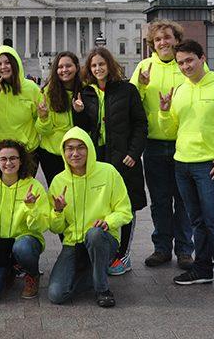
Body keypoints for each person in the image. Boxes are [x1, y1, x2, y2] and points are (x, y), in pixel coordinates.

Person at [158, 39, 214, 298]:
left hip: (210, 166)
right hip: (182, 164)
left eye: (189, 60)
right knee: (196, 221)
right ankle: (202, 268)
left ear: (202, 59)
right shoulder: (180, 91)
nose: (185, 66)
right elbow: (172, 129)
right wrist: (165, 112)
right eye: (180, 63)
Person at [130, 19, 194, 269]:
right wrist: (142, 85)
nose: (163, 42)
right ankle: (162, 247)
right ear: (152, 44)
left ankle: (185, 250)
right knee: (159, 200)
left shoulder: (186, 64)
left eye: (167, 37)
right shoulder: (144, 67)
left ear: (176, 39)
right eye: (158, 39)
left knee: (185, 199)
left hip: (183, 143)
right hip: (154, 143)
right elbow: (132, 102)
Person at [77, 47, 147, 276]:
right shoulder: (86, 94)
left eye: (101, 64)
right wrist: (77, 112)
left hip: (124, 157)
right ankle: (103, 252)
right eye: (94, 65)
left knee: (125, 205)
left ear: (110, 64)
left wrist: (134, 153)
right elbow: (83, 129)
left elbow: (140, 123)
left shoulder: (127, 90)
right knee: (101, 204)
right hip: (98, 156)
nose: (98, 68)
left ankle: (123, 255)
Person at [47, 127, 132, 308]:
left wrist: (108, 222)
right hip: (74, 244)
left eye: (81, 147)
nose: (75, 153)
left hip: (103, 240)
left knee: (94, 234)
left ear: (90, 149)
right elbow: (56, 229)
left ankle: (102, 289)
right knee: (56, 294)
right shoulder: (58, 181)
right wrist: (58, 212)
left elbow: (125, 211)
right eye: (70, 148)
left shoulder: (108, 172)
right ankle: (93, 273)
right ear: (63, 152)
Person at [0, 140, 49, 302]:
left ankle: (32, 273)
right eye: (3, 159)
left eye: (13, 158)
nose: (8, 163)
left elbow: (42, 226)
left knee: (23, 247)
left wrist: (31, 207)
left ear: (21, 161)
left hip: (25, 242)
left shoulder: (34, 186)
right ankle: (10, 267)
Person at [0, 45, 42, 155]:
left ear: (15, 63)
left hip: (27, 151)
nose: (3, 67)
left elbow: (40, 123)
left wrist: (44, 117)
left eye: (7, 62)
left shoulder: (32, 88)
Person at [36, 51, 85, 186]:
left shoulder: (86, 91)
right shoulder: (47, 93)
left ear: (76, 67)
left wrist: (80, 113)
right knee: (57, 197)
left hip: (77, 153)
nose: (64, 70)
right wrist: (44, 118)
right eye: (60, 67)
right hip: (52, 155)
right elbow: (42, 131)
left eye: (68, 66)